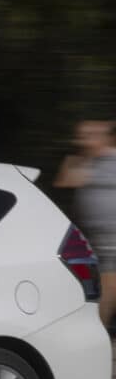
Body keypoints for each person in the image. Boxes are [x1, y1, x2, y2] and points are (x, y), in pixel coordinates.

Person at [55, 120, 116, 328]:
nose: (83, 140)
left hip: (110, 237)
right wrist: (84, 154)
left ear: (105, 136)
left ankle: (99, 330)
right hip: (88, 236)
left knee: (106, 287)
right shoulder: (85, 161)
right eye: (82, 136)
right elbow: (64, 181)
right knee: (92, 287)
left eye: (90, 135)